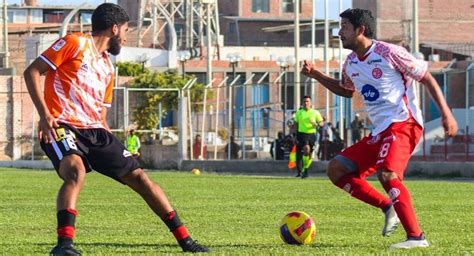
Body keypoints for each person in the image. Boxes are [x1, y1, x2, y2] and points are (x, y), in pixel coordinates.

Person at [23, 3, 209, 255]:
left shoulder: (107, 68)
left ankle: (186, 241)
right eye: (125, 30)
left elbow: (101, 114)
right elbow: (32, 70)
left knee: (141, 179)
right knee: (75, 172)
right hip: (61, 125)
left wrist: (114, 145)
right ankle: (64, 246)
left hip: (96, 132)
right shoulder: (74, 43)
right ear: (114, 28)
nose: (125, 36)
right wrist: (45, 115)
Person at [301, 8, 457, 249]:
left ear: (360, 30)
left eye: (344, 27)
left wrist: (447, 115)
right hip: (380, 131)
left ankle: (417, 238)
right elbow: (346, 90)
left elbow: (426, 77)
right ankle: (387, 207)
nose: (339, 32)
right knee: (337, 169)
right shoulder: (351, 62)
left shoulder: (390, 52)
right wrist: (315, 75)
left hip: (404, 123)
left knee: (387, 174)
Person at [293, 96, 323, 178]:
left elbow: (321, 123)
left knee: (309, 154)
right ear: (302, 103)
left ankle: (305, 169)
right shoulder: (299, 113)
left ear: (311, 103)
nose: (306, 103)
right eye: (304, 101)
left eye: (307, 101)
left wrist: (315, 124)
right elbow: (295, 124)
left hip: (311, 135)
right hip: (301, 134)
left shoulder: (315, 112)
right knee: (306, 149)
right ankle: (301, 170)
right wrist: (295, 135)